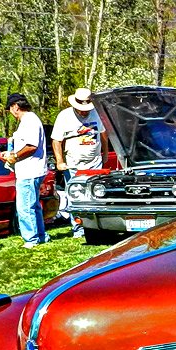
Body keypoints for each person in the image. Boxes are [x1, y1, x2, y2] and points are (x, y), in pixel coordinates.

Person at [51, 87, 107, 238]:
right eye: (81, 109)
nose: (84, 111)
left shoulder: (96, 113)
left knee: (95, 193)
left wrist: (105, 154)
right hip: (74, 163)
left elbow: (103, 134)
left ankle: (96, 226)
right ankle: (78, 228)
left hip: (94, 162)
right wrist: (60, 161)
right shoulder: (64, 116)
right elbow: (56, 140)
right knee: (75, 194)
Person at [1, 93, 48, 248]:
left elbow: (31, 146)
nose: (11, 113)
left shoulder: (29, 120)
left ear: (15, 107)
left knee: (25, 207)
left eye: (10, 109)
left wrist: (14, 155)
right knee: (33, 206)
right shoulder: (29, 120)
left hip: (29, 171)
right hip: (32, 169)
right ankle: (41, 236)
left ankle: (31, 239)